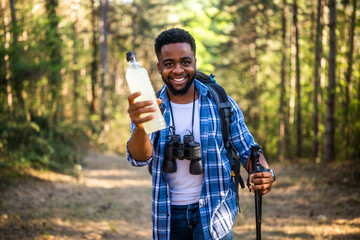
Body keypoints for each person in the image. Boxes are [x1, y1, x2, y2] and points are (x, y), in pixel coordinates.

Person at [126, 28, 275, 240]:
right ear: (159, 67)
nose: (178, 70)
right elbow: (140, 158)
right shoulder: (152, 107)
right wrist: (140, 126)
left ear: (195, 62)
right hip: (168, 215)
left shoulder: (221, 102)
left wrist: (264, 173)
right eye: (169, 64)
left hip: (216, 211)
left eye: (185, 62)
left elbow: (247, 149)